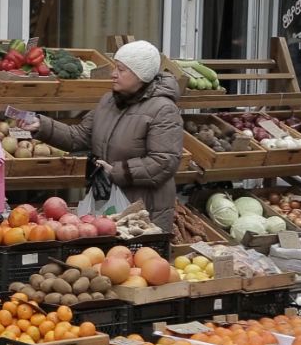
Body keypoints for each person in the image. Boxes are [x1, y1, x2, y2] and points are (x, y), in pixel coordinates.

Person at [20, 40, 183, 231]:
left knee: (138, 260)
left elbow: (164, 162)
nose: (113, 74)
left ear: (141, 74)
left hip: (144, 213)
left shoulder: (164, 110)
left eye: (121, 70)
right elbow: (79, 136)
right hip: (108, 205)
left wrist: (115, 172)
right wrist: (43, 126)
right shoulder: (109, 102)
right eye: (115, 67)